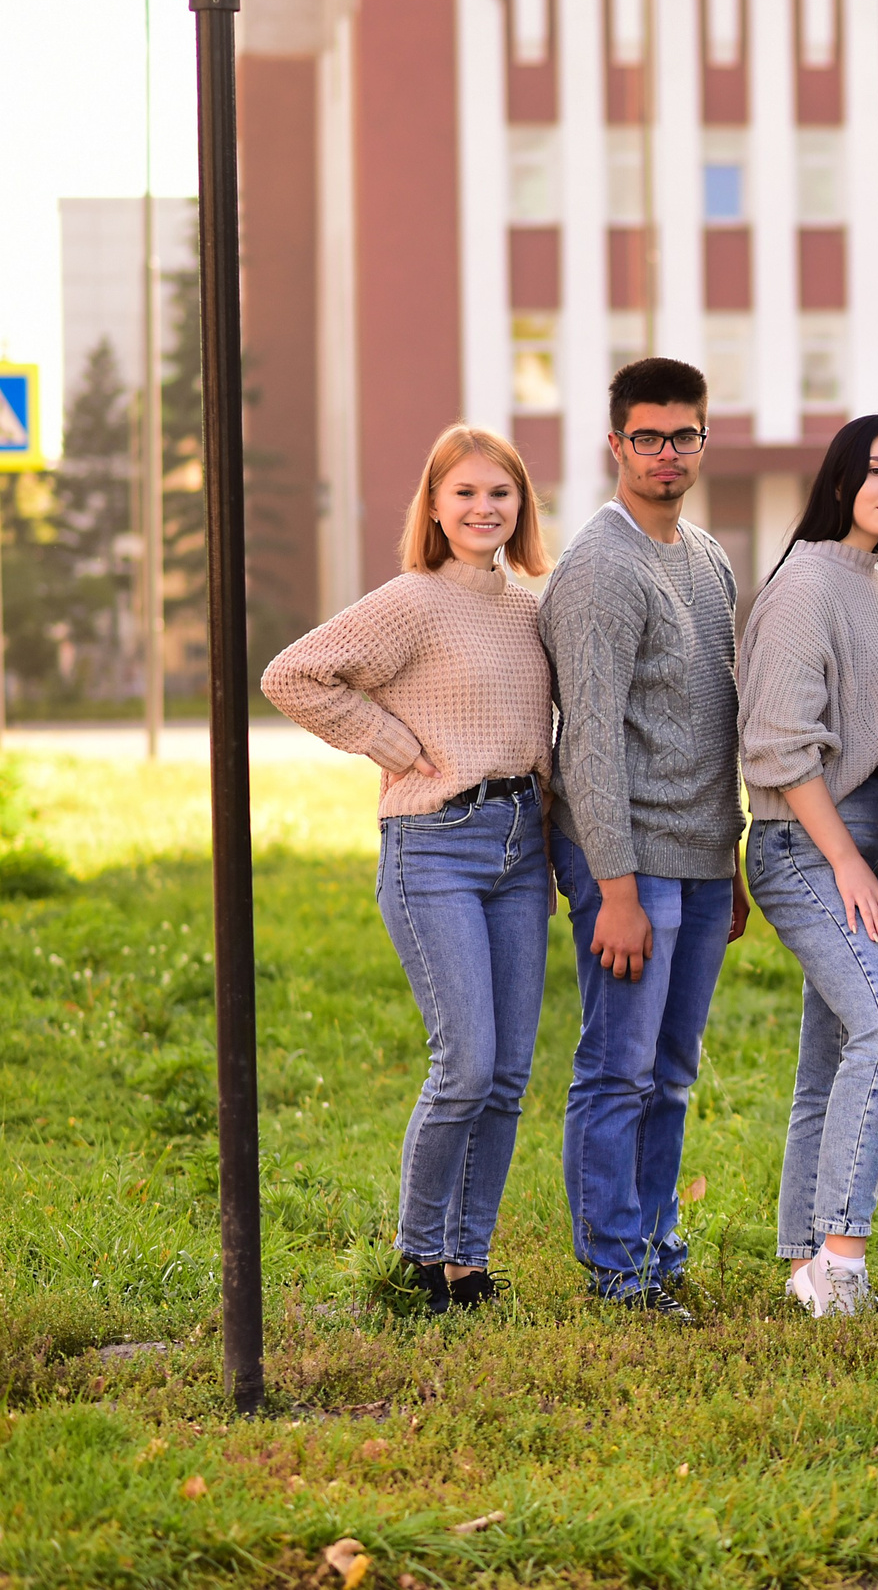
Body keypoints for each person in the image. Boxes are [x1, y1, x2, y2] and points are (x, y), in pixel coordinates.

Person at [262, 425, 553, 1315]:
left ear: (520, 506)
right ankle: (418, 1256)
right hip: (437, 846)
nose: (482, 509)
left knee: (506, 1075)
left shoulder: (530, 607)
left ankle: (469, 1262)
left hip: (522, 843)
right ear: (434, 506)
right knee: (464, 1062)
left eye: (499, 494)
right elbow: (293, 673)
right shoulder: (412, 600)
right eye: (464, 493)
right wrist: (395, 744)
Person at [541, 357, 750, 1319]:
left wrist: (732, 857)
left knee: (672, 1071)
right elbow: (586, 737)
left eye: (686, 435)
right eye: (649, 437)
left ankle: (656, 1242)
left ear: (705, 440)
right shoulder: (601, 566)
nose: (669, 454)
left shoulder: (707, 559)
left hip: (702, 859)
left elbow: (715, 719)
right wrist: (615, 889)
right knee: (619, 1068)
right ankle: (615, 1265)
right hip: (627, 859)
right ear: (615, 444)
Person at [738, 415, 878, 1319]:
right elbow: (777, 748)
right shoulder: (807, 582)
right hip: (807, 841)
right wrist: (849, 862)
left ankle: (802, 1257)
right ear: (843, 477)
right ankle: (841, 1259)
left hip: (871, 842)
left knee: (837, 1056)